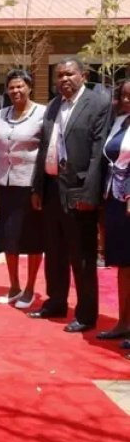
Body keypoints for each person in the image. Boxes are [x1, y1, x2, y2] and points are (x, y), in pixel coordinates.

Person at [30, 58, 112, 332]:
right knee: (54, 251)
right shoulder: (54, 105)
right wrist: (37, 187)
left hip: (78, 191)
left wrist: (89, 194)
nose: (64, 79)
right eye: (60, 75)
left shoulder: (97, 105)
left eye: (70, 74)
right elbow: (44, 148)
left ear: (83, 75)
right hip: (53, 189)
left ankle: (87, 314)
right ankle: (56, 301)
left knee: (82, 256)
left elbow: (97, 154)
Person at [0, 70, 45, 308]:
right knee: (9, 237)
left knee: (32, 238)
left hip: (30, 185)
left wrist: (40, 188)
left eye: (20, 86)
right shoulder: (2, 114)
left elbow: (46, 152)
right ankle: (13, 286)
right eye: (11, 87)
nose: (16, 91)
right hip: (5, 183)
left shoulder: (42, 113)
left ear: (29, 87)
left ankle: (30, 288)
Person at [97, 81, 130, 342]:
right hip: (114, 200)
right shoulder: (119, 122)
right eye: (122, 95)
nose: (126, 99)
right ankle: (123, 322)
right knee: (123, 264)